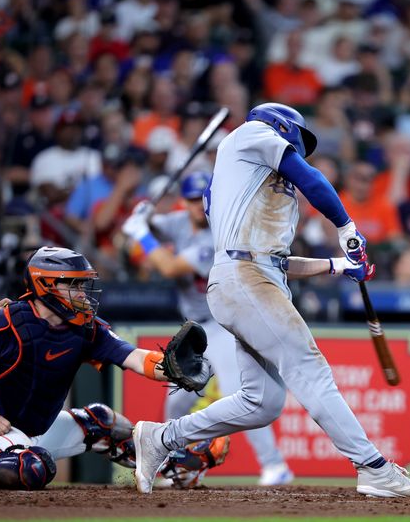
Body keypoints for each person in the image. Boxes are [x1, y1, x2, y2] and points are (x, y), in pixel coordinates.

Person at [131, 102, 410, 497]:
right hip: (246, 279)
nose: (296, 149)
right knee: (310, 369)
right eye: (295, 138)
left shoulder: (250, 183)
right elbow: (312, 180)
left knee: (262, 403)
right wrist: (347, 227)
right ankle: (373, 467)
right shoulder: (250, 134)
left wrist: (338, 265)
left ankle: (161, 438)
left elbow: (276, 260)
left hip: (250, 279)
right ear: (281, 126)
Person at [0, 246, 227, 489]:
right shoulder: (5, 322)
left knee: (100, 421)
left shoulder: (86, 329)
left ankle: (177, 466)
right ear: (46, 285)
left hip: (32, 434)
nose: (82, 293)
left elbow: (135, 358)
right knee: (31, 469)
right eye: (73, 284)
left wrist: (171, 367)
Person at [121, 172, 294, 486]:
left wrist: (140, 234)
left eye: (200, 200)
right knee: (178, 401)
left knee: (240, 394)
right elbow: (156, 225)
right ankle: (166, 461)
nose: (196, 207)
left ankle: (274, 465)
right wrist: (142, 216)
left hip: (224, 324)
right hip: (196, 328)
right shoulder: (179, 221)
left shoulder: (215, 235)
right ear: (183, 202)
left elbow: (170, 267)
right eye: (189, 200)